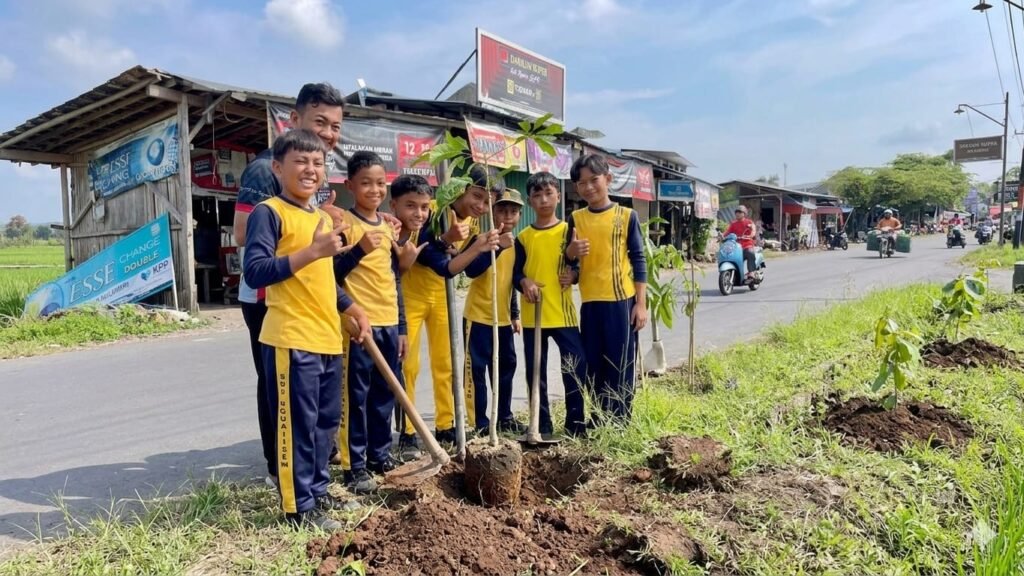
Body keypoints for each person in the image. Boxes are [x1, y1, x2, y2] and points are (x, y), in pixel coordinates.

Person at [242, 129, 371, 530]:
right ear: (278, 168)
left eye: (318, 163)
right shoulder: (270, 212)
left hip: (327, 337)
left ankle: (317, 489)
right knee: (297, 424)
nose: (311, 169)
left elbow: (321, 279)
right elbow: (256, 270)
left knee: (325, 423)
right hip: (290, 337)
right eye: (301, 161)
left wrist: (352, 307)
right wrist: (313, 250)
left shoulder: (319, 217)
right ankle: (298, 506)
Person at [233, 83, 346, 488]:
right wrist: (310, 242)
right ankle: (281, 473)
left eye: (335, 126)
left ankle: (312, 477)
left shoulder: (315, 172)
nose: (329, 133)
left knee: (315, 405)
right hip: (271, 300)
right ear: (294, 120)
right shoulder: (266, 169)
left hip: (311, 301)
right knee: (282, 392)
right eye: (320, 122)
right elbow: (244, 234)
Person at [393, 169, 501, 457]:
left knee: (446, 364)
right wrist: (446, 239)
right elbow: (432, 256)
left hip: (442, 296)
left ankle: (446, 425)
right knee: (409, 366)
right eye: (476, 196)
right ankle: (408, 432)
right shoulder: (435, 210)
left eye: (487, 201)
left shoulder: (476, 225)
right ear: (461, 190)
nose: (480, 205)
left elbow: (469, 268)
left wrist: (492, 249)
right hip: (412, 294)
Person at [332, 151, 406, 494]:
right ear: (350, 185)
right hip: (359, 327)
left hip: (389, 322)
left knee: (384, 394)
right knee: (355, 397)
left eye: (380, 183)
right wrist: (358, 249)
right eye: (365, 183)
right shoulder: (346, 225)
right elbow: (332, 274)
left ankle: (380, 455)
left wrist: (402, 325)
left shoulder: (389, 226)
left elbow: (396, 279)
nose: (374, 190)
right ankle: (354, 465)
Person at [565, 154, 647, 424]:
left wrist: (641, 304)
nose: (588, 187)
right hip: (590, 304)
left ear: (608, 180)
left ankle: (621, 421)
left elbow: (638, 259)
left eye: (594, 180)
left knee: (621, 364)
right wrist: (571, 254)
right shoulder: (575, 219)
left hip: (621, 302)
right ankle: (600, 418)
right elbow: (571, 265)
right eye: (581, 182)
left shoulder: (626, 216)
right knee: (594, 365)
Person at [515, 171, 588, 437]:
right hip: (533, 313)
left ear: (558, 195)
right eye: (537, 195)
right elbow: (515, 273)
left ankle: (576, 425)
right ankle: (541, 424)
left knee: (575, 367)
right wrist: (525, 282)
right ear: (530, 201)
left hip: (563, 314)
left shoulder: (569, 230)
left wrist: (574, 275)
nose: (544, 200)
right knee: (536, 373)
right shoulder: (523, 237)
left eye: (549, 193)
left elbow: (577, 264)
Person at [462, 188, 524, 436]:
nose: (507, 216)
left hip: (503, 321)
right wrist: (495, 247)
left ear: (519, 215)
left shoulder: (518, 245)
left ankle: (505, 416)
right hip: (477, 318)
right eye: (501, 210)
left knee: (506, 367)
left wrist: (515, 314)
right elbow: (471, 270)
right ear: (492, 211)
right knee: (477, 371)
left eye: (512, 211)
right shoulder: (480, 239)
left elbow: (512, 281)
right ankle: (479, 422)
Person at [725, 206, 757, 278]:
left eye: (739, 212)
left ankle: (751, 272)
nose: (737, 214)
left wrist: (751, 235)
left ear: (744, 214)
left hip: (747, 245)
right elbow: (727, 232)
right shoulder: (733, 224)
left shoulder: (749, 222)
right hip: (736, 246)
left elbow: (753, 229)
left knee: (750, 253)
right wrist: (722, 237)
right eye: (736, 212)